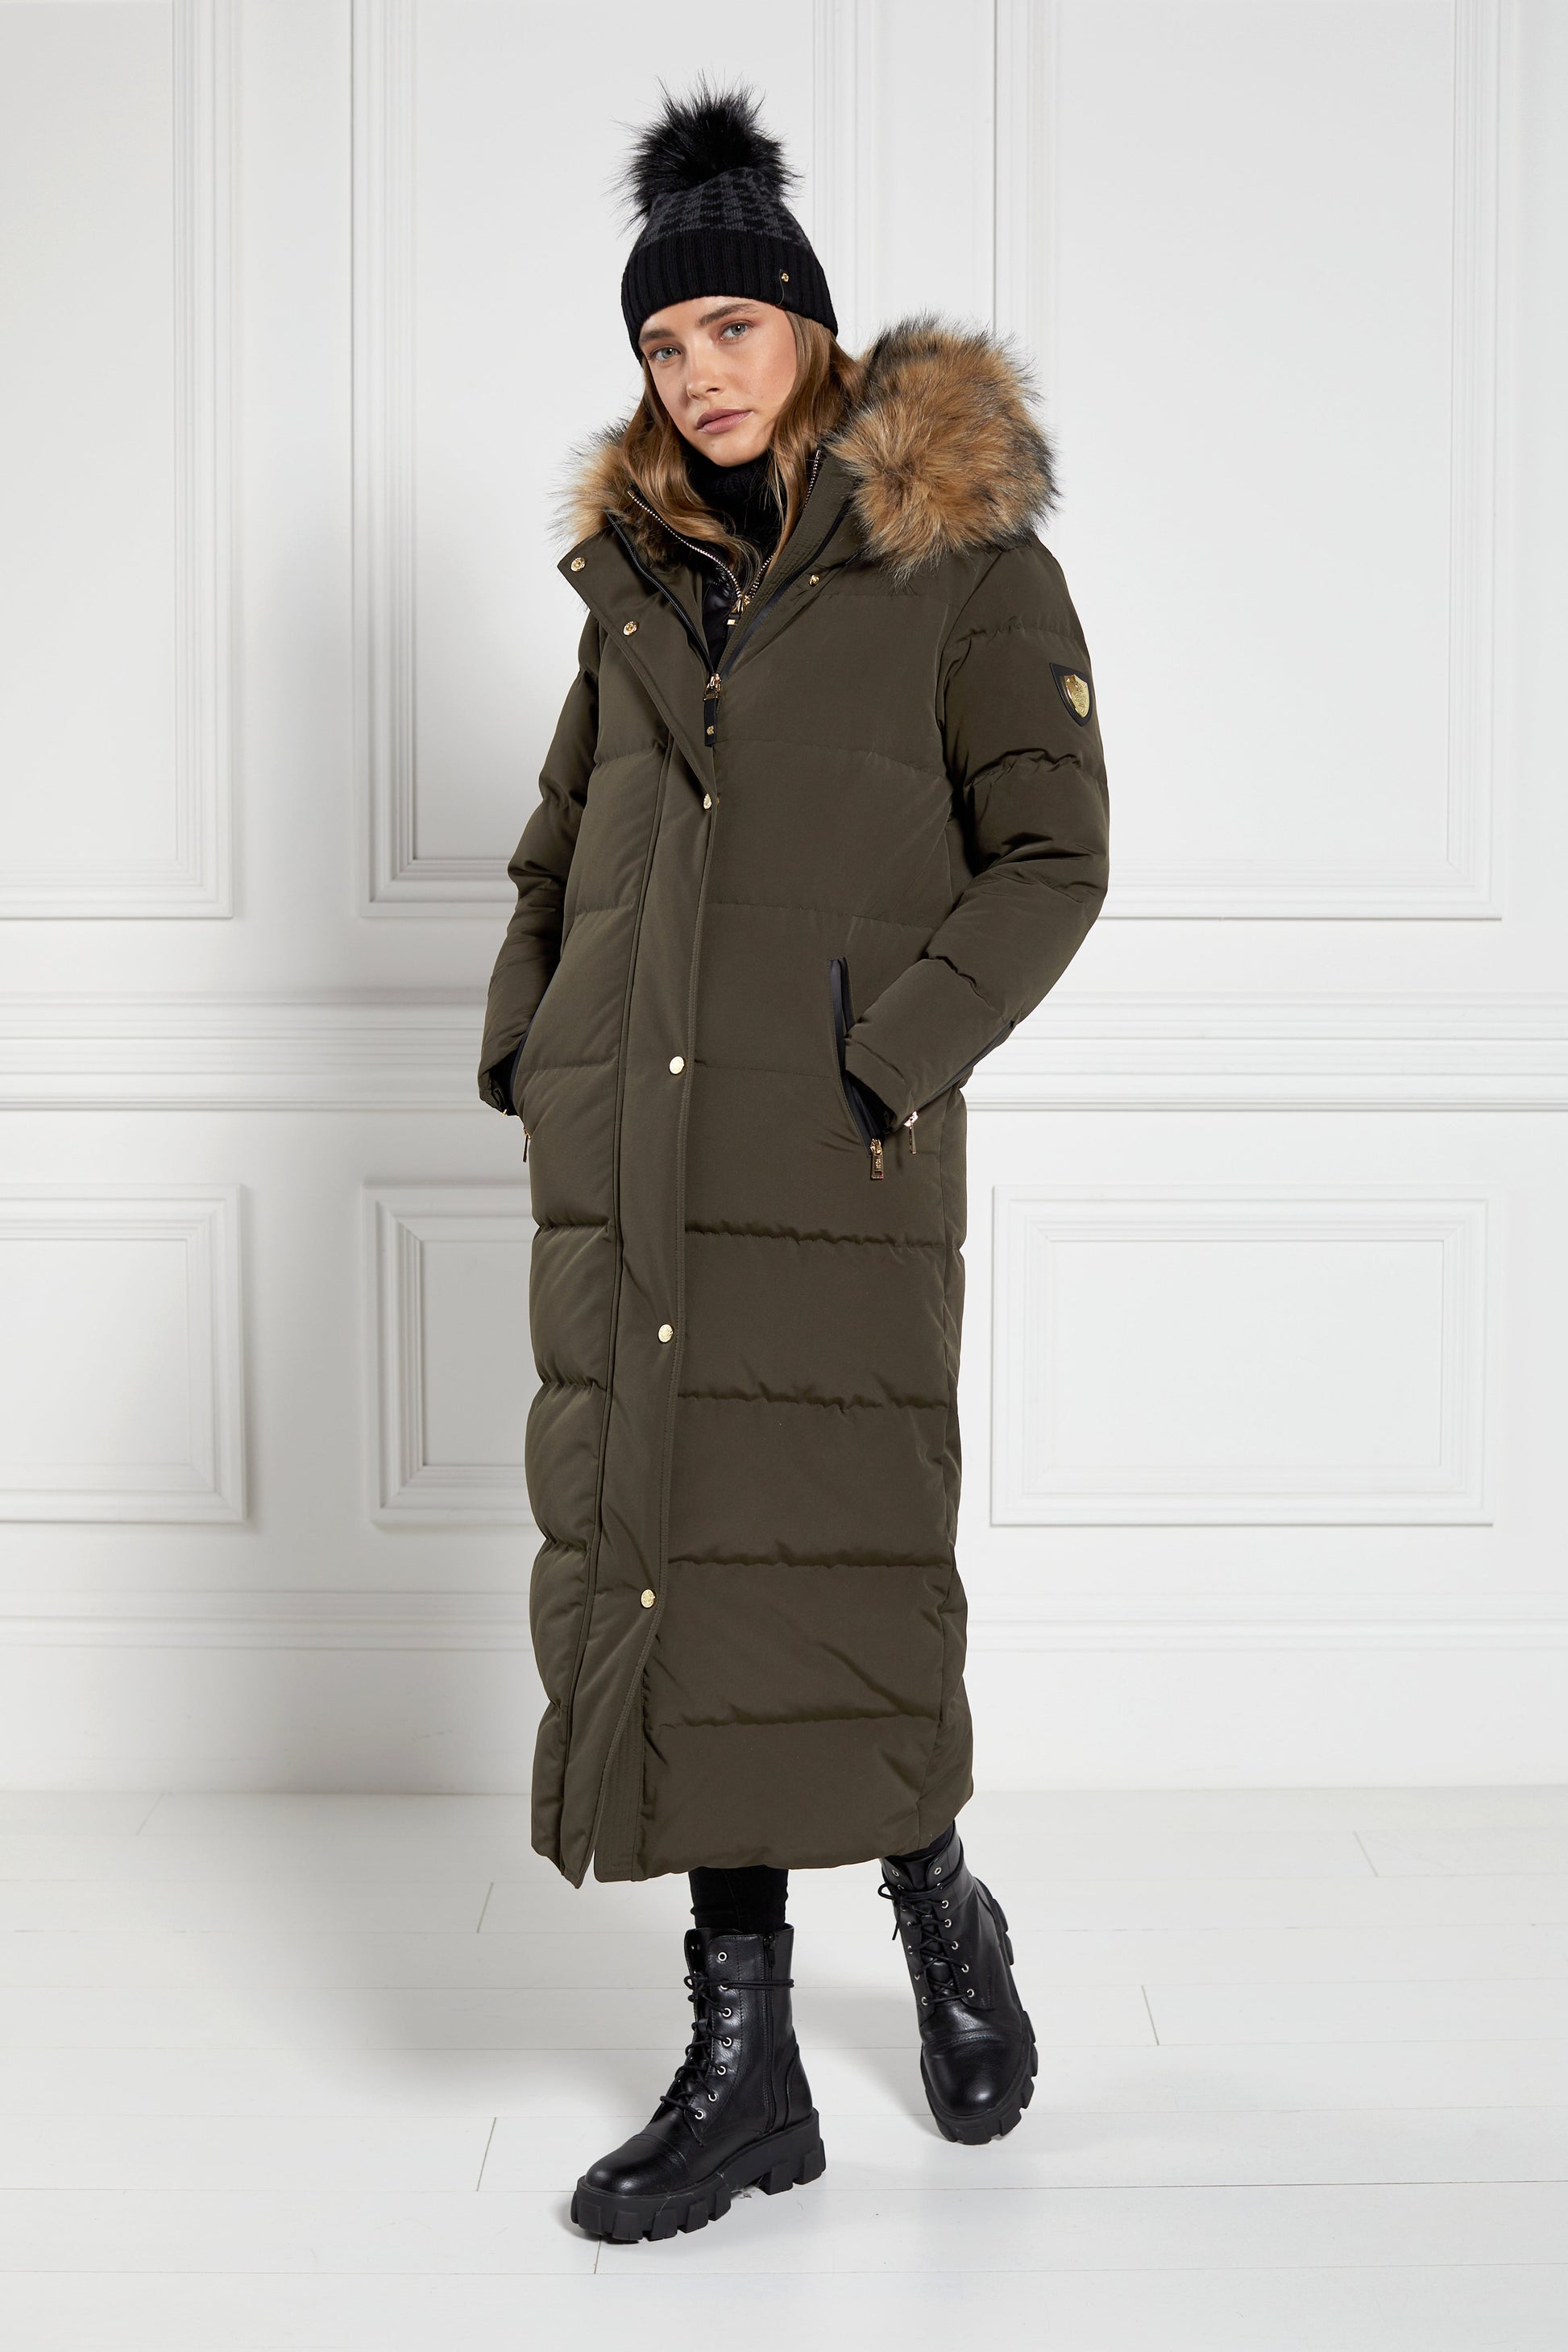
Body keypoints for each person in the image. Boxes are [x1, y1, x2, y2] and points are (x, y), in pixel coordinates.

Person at [478, 79, 1110, 2243]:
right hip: (638, 1156)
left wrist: (885, 1064)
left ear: (810, 329)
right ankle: (744, 2064)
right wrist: (536, 1047)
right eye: (663, 344)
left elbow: (1052, 859)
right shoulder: (639, 582)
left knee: (836, 1565)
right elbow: (564, 841)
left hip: (834, 1160)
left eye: (729, 328)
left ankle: (935, 1897)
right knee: (676, 1574)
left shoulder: (967, 566)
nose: (696, 374)